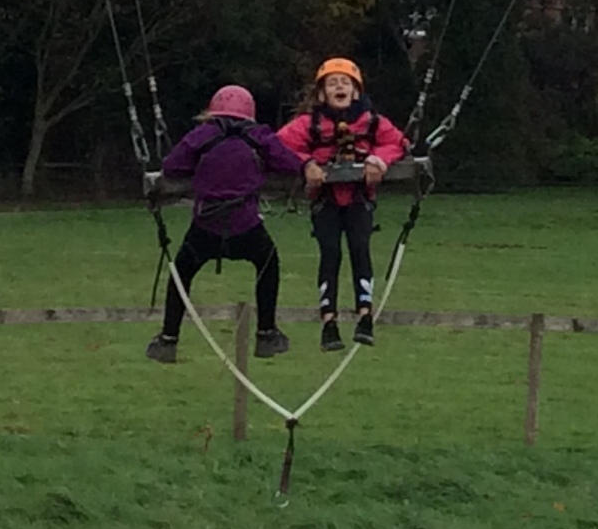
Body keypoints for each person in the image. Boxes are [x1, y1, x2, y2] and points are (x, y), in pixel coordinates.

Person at [146, 84, 314, 364]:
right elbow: (288, 163)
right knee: (268, 262)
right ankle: (267, 333)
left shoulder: (202, 135)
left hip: (206, 225)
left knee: (181, 272)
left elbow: (173, 166)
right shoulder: (258, 136)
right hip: (245, 224)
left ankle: (168, 338)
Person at [279, 58, 407, 352]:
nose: (339, 87)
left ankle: (365, 315)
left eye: (345, 83)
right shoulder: (309, 124)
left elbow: (397, 142)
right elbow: (280, 145)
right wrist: (306, 164)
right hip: (326, 200)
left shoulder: (372, 122)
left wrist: (379, 160)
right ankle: (329, 321)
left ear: (356, 91)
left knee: (360, 248)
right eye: (332, 83)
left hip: (359, 198)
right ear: (322, 94)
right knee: (330, 252)